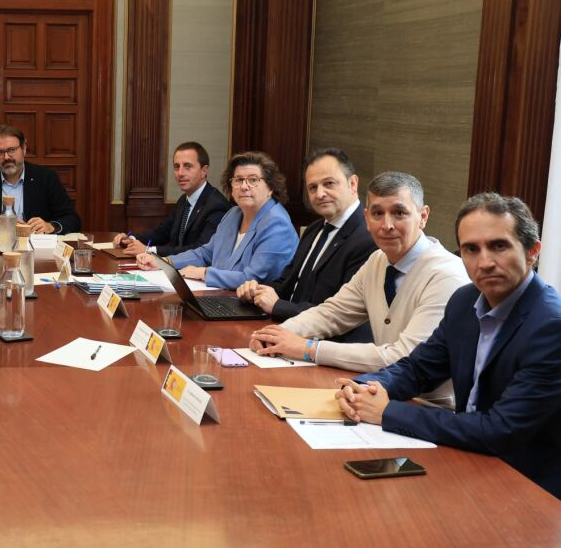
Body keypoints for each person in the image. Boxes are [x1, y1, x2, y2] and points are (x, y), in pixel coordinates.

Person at [336, 193, 560, 498]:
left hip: (525, 484)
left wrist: (387, 412)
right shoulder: (464, 301)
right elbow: (418, 368)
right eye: (471, 249)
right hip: (466, 458)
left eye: (499, 246)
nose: (485, 262)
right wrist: (365, 388)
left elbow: (500, 429)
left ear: (532, 251)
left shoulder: (551, 326)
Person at [250, 171, 468, 407]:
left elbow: (404, 357)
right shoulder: (377, 260)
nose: (387, 225)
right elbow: (333, 313)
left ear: (422, 216)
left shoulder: (446, 276)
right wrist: (277, 335)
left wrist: (309, 348)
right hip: (378, 394)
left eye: (399, 213)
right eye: (377, 213)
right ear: (366, 218)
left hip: (429, 407)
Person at [236, 148, 376, 333]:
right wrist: (256, 291)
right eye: (313, 187)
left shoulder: (368, 238)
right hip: (284, 329)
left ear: (353, 183)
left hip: (323, 341)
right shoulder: (314, 229)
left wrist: (278, 306)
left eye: (329, 183)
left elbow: (341, 314)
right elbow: (286, 282)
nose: (320, 194)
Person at [135, 151, 297, 290]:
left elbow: (252, 279)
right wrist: (164, 262)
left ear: (270, 188)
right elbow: (205, 253)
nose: (244, 186)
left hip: (255, 309)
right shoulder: (233, 214)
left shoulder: (277, 224)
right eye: (238, 180)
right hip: (222, 298)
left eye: (253, 180)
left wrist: (204, 273)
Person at [112, 141, 231, 257]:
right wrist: (131, 240)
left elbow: (200, 250)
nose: (180, 173)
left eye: (187, 166)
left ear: (204, 171)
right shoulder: (184, 200)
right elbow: (163, 231)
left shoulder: (216, 206)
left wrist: (149, 250)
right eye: (176, 167)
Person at [0, 124, 81, 234]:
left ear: (23, 149)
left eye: (12, 150)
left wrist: (51, 226)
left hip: (36, 246)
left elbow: (72, 219)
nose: (6, 157)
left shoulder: (46, 177)